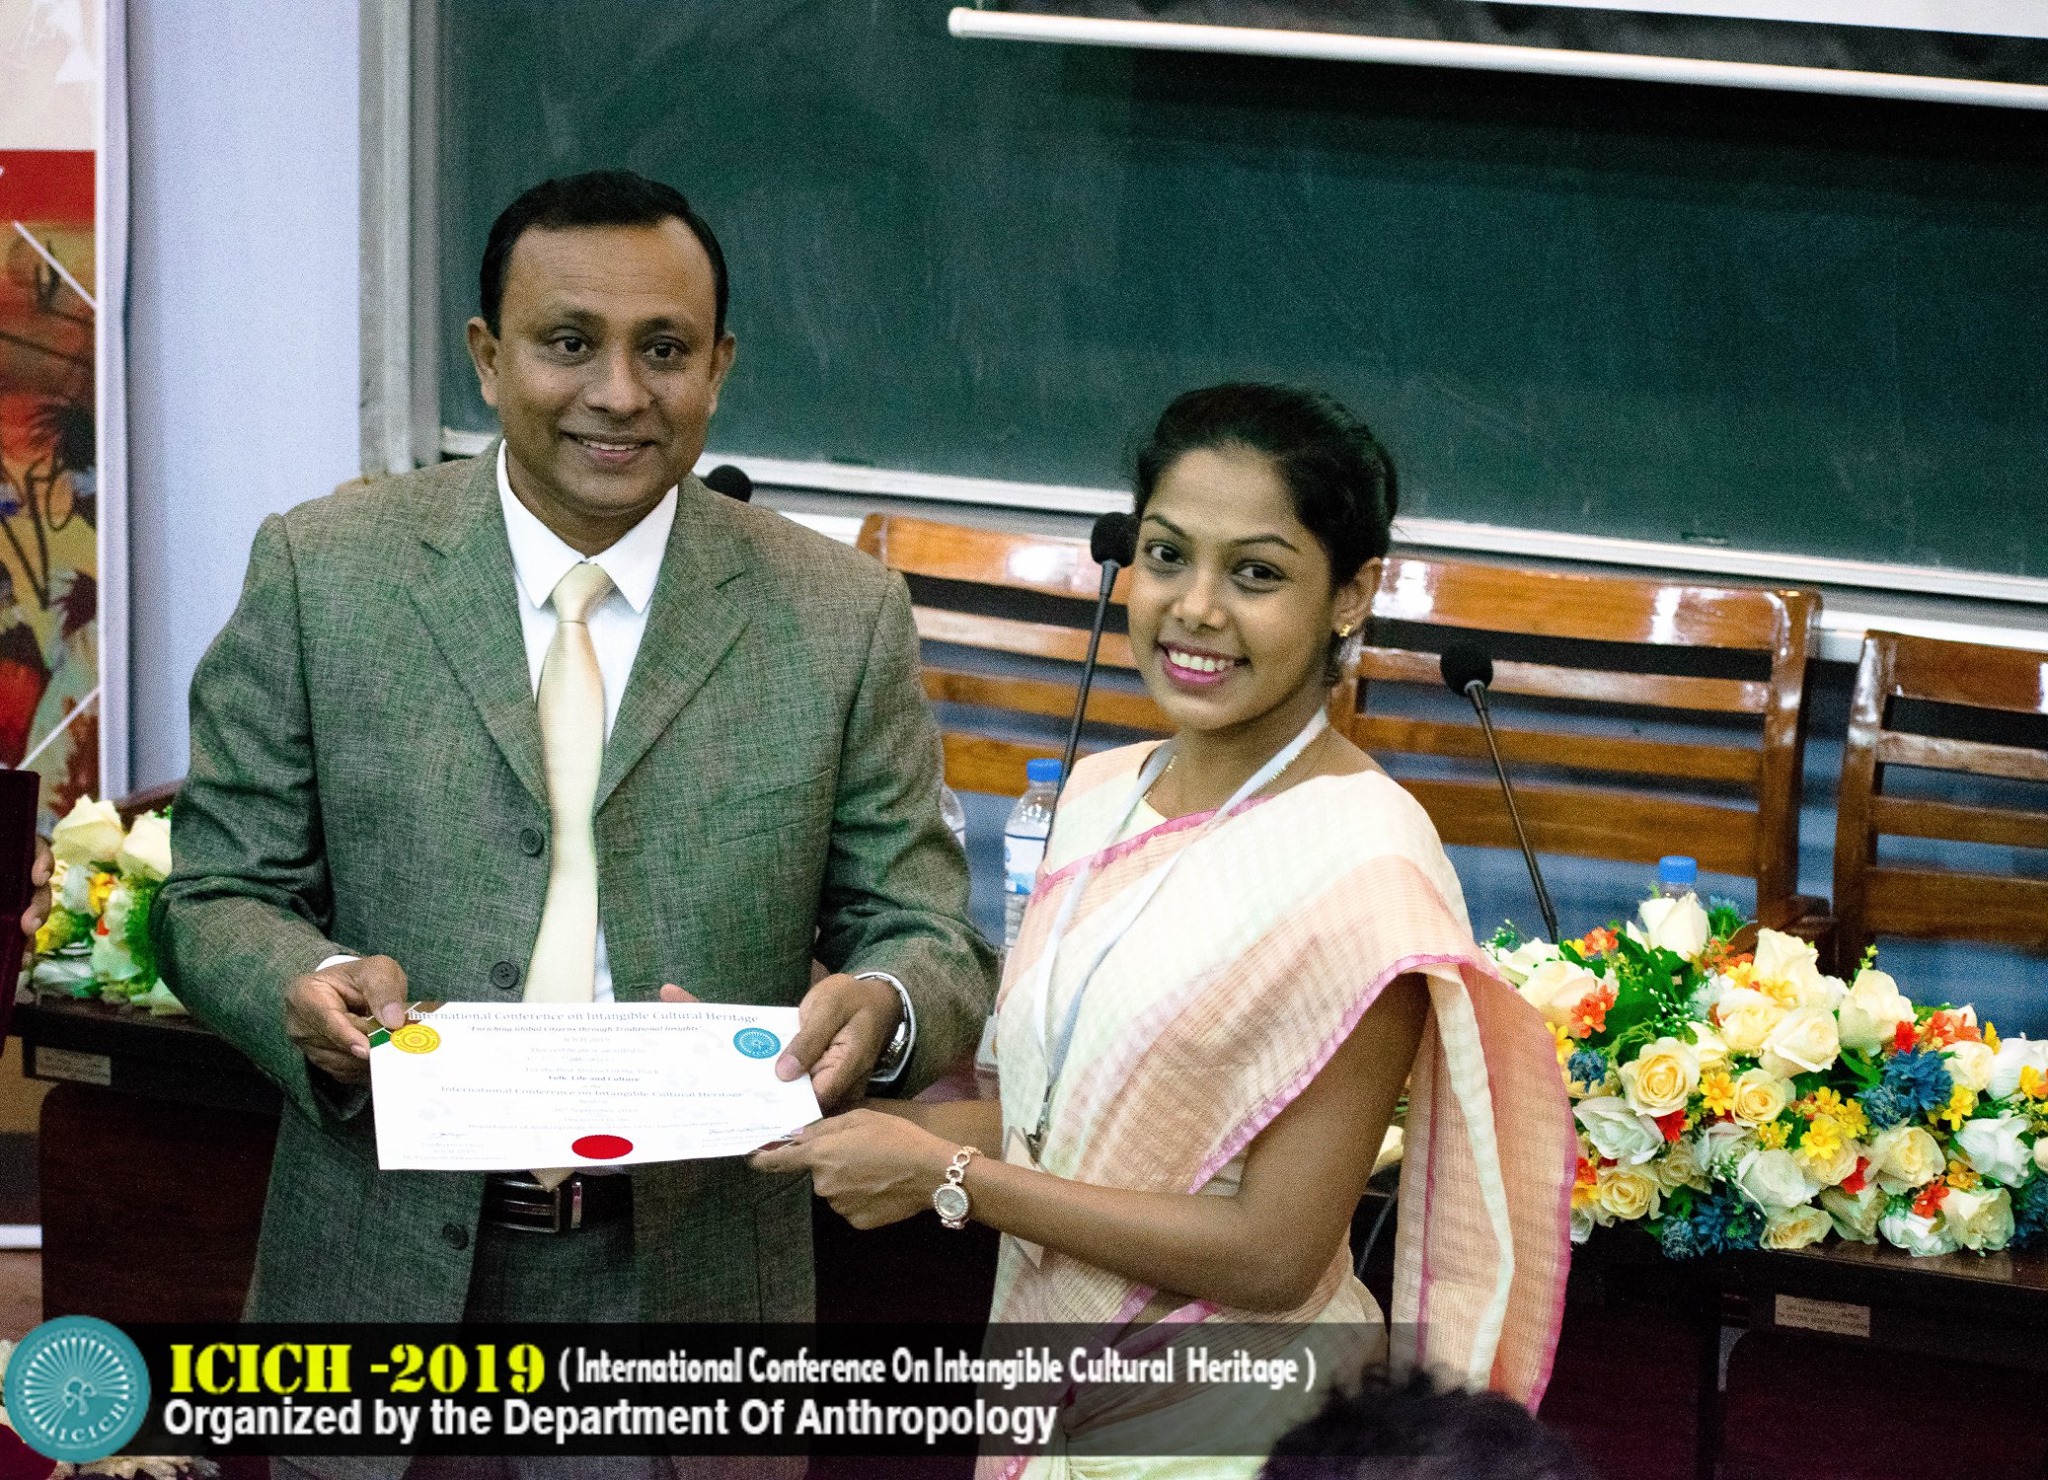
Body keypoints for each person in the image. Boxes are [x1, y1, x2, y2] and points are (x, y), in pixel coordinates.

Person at [154, 171, 995, 1476]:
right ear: (488, 357)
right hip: (378, 1273)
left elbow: (926, 933)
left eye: (663, 350)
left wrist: (880, 1006)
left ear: (719, 367)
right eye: (567, 343)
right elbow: (214, 893)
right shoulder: (325, 569)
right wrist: (305, 983)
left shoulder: (839, 614)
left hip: (689, 1296)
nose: (618, 392)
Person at [756, 384, 1576, 1476]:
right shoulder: (1101, 794)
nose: (1194, 608)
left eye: (1256, 573)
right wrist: (806, 1096)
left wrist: (949, 1174)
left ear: (1350, 594)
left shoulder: (1364, 862)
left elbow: (1275, 1254)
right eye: (1166, 555)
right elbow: (1068, 1122)